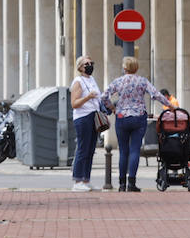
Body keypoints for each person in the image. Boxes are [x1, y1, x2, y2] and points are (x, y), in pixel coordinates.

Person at [103, 56, 171, 192]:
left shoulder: (118, 81)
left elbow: (103, 96)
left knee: (123, 151)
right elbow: (156, 94)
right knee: (134, 150)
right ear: (136, 68)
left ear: (124, 68)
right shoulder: (142, 81)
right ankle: (131, 183)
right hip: (139, 117)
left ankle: (121, 184)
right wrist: (170, 105)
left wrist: (112, 108)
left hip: (122, 117)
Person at [69, 55, 104, 191]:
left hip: (93, 116)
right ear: (80, 67)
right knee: (83, 149)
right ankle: (77, 181)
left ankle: (86, 179)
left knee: (90, 150)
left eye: (91, 62)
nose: (90, 65)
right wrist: (88, 97)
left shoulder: (92, 80)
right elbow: (74, 103)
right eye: (86, 64)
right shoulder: (78, 81)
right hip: (83, 117)